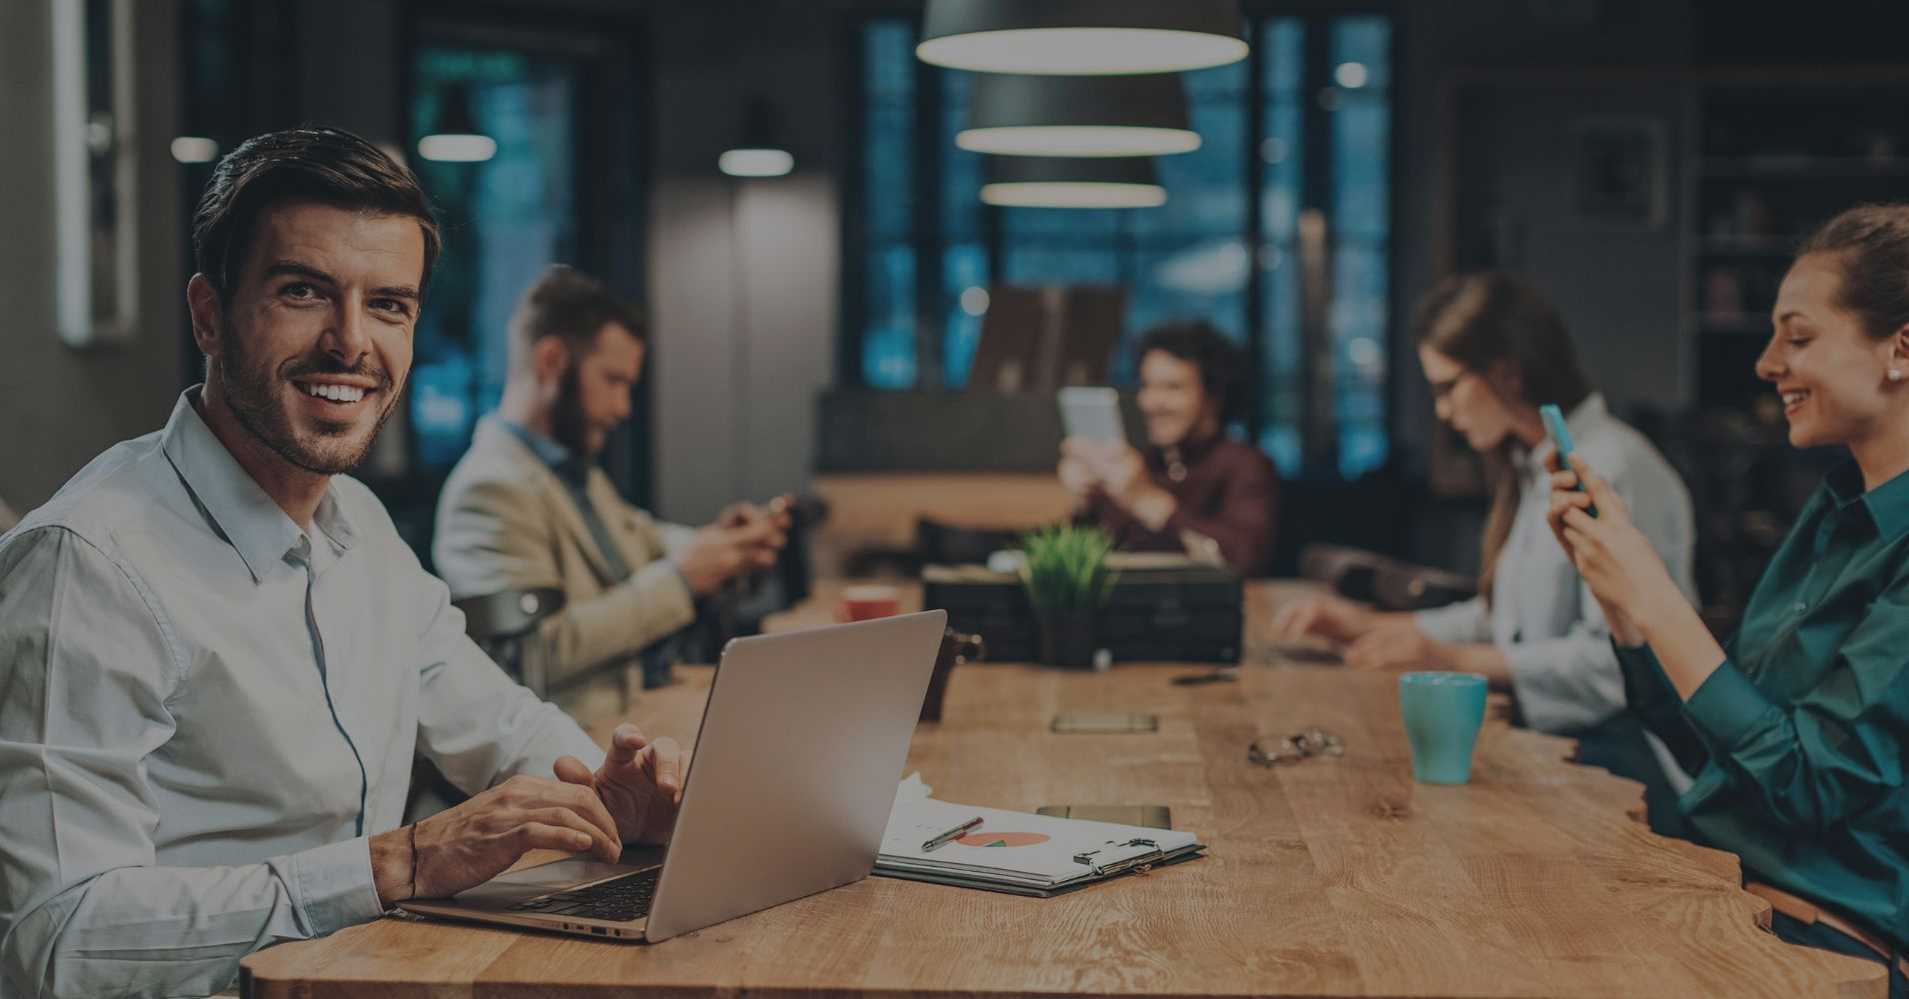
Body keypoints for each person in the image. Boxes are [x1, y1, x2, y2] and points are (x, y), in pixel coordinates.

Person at [0, 127, 688, 999]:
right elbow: (51, 941)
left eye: (389, 304)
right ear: (209, 314)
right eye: (303, 292)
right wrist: (399, 861)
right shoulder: (86, 565)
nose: (350, 342)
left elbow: (501, 724)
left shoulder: (356, 521)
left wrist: (608, 793)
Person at [1548, 204, 1909, 994]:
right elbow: (1716, 751)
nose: (1766, 362)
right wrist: (1623, 606)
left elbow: (1808, 784)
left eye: (1798, 335)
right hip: (1720, 892)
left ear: (1899, 349)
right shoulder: (1832, 512)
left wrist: (1656, 593)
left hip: (1822, 951)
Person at [1273, 273, 1697, 832]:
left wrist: (1453, 662)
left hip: (1631, 774)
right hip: (1563, 760)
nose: (1443, 412)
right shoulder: (1538, 462)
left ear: (1507, 373)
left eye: (1449, 388)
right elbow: (1505, 621)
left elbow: (1609, 668)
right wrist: (1374, 627)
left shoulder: (1612, 468)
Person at [432, 265, 787, 728]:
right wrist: (682, 579)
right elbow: (531, 657)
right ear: (552, 361)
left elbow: (642, 536)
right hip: (575, 749)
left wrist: (727, 545)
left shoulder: (571, 473)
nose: (622, 408)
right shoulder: (488, 490)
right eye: (613, 381)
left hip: (642, 712)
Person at [1058, 320, 1279, 575]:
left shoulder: (1246, 465)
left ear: (1213, 394)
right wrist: (1082, 503)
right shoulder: (1143, 462)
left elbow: (1243, 558)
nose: (1152, 402)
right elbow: (1093, 559)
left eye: (1173, 388)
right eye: (1147, 386)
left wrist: (1147, 500)